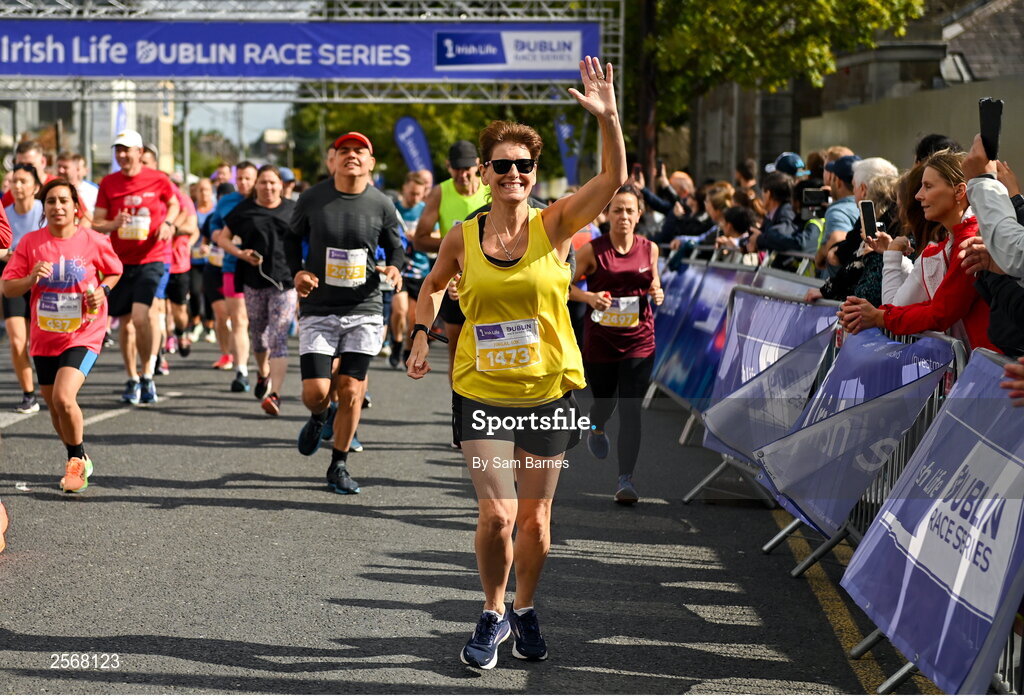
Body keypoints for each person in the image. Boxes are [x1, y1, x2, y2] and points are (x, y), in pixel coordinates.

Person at [407, 56, 626, 670]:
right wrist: (422, 334)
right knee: (497, 513)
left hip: (548, 392)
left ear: (534, 174)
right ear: (483, 172)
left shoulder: (555, 225)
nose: (511, 174)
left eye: (522, 166)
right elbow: (430, 287)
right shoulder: (462, 235)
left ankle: (526, 608)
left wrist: (609, 117)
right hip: (481, 391)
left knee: (535, 521)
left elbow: (612, 178)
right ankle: (493, 610)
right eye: (499, 165)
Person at [287, 132, 404, 491]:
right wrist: (299, 272)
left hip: (364, 306)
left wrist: (394, 268)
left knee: (352, 387)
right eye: (344, 151)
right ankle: (320, 415)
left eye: (360, 151)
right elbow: (292, 239)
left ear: (370, 163)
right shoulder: (312, 198)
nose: (351, 155)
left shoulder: (382, 203)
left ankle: (339, 465)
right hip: (320, 306)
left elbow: (395, 246)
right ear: (332, 161)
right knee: (315, 391)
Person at [1, 179, 122, 492]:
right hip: (45, 335)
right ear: (45, 207)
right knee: (55, 409)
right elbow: (7, 287)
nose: (57, 207)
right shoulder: (30, 243)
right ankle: (78, 454)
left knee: (64, 398)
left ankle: (76, 462)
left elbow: (114, 269)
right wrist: (30, 278)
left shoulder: (92, 240)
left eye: (63, 201)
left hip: (84, 331)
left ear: (75, 207)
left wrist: (102, 291)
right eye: (51, 201)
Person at [839, 149, 996, 352]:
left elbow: (940, 312)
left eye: (928, 186)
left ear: (959, 191)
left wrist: (880, 316)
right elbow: (932, 306)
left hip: (995, 367)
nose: (918, 195)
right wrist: (881, 314)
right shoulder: (958, 239)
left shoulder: (970, 239)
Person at [570, 184, 663, 504]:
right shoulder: (591, 251)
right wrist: (588, 296)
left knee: (631, 409)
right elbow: (563, 288)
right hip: (601, 342)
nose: (623, 216)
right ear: (607, 215)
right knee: (605, 402)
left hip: (640, 340)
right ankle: (596, 426)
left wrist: (657, 292)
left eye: (629, 210)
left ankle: (626, 480)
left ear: (639, 215)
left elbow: (654, 281)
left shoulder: (650, 249)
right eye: (617, 210)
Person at [411, 139, 491, 449]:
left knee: (490, 346)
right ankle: (461, 412)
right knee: (458, 348)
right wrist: (455, 243)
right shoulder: (439, 193)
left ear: (479, 167)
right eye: (457, 171)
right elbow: (419, 239)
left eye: (468, 171)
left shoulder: (491, 190)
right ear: (449, 169)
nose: (463, 177)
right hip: (454, 279)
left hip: (490, 280)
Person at [91, 129, 180, 406]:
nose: (122, 155)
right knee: (126, 327)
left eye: (127, 149)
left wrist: (168, 224)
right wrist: (114, 225)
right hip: (119, 262)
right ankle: (133, 379)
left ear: (140, 153)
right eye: (118, 150)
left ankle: (148, 372)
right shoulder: (109, 182)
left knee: (141, 318)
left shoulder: (158, 179)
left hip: (151, 257)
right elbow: (97, 222)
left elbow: (174, 204)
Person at [214, 165, 298, 415]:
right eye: (263, 183)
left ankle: (275, 394)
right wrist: (240, 253)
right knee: (259, 335)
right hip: (253, 281)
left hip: (285, 282)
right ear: (256, 186)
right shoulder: (245, 210)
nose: (268, 187)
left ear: (281, 185)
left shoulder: (293, 210)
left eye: (273, 182)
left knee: (278, 337)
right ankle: (263, 373)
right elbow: (222, 238)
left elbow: (311, 240)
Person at [208, 161, 258, 391]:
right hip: (231, 265)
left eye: (248, 178)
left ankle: (264, 369)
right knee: (239, 319)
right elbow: (214, 225)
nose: (243, 183)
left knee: (257, 323)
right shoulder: (227, 201)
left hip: (261, 268)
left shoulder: (263, 199)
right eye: (240, 179)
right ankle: (242, 371)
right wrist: (217, 233)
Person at [2, 164, 44, 413]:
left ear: (35, 187)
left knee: (45, 341)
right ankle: (29, 394)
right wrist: (8, 254)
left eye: (23, 181)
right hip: (15, 281)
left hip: (46, 285)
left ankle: (56, 384)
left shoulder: (47, 211)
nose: (17, 186)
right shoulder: (4, 213)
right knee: (18, 341)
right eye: (14, 181)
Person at [389, 171, 433, 369]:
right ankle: (396, 343)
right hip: (401, 270)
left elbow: (439, 233)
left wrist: (420, 236)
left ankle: (407, 348)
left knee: (414, 318)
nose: (414, 198)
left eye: (418, 194)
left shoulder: (426, 210)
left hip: (420, 270)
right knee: (400, 310)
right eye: (411, 194)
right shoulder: (394, 210)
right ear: (404, 190)